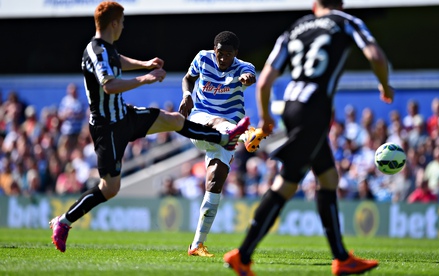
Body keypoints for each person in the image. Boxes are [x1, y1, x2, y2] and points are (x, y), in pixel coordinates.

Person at [49, 2, 249, 253]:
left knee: (174, 119)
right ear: (113, 23)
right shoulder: (96, 50)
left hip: (125, 115)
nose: (123, 26)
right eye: (122, 22)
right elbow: (109, 85)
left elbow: (118, 60)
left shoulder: (106, 49)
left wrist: (144, 64)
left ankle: (222, 138)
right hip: (107, 127)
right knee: (110, 188)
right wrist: (146, 78)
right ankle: (64, 221)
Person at [223, 1, 394, 275]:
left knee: (328, 179)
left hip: (291, 106)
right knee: (286, 185)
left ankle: (341, 257)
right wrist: (385, 85)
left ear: (315, 5)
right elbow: (375, 55)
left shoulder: (295, 28)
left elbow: (266, 78)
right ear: (340, 3)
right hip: (314, 110)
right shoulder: (345, 21)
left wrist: (266, 117)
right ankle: (242, 255)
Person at [178, 31, 265, 257]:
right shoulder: (203, 58)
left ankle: (196, 245)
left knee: (215, 182)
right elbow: (188, 78)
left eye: (228, 54)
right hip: (201, 122)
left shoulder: (244, 67)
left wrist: (247, 80)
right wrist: (187, 95)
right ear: (213, 50)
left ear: (236, 54)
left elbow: (250, 76)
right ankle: (247, 135)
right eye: (219, 53)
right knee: (219, 121)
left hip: (226, 137)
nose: (222, 58)